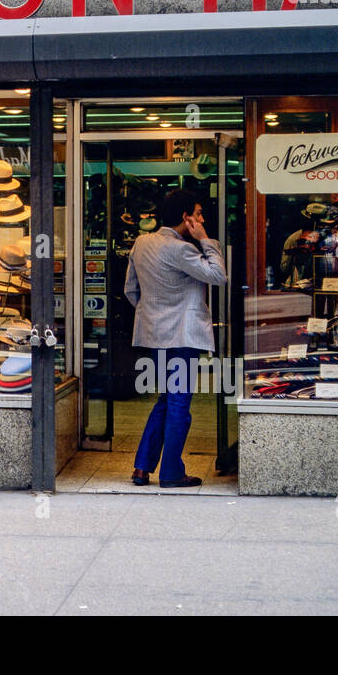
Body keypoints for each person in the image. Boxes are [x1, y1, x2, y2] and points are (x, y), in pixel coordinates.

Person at [124, 188, 227, 488]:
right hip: (182, 338)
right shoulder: (181, 249)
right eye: (198, 213)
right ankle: (170, 472)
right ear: (186, 217)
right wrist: (206, 238)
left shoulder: (141, 243)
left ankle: (142, 468)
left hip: (155, 336)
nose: (202, 218)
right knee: (179, 404)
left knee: (166, 400)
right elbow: (218, 275)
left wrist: (154, 314)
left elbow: (131, 291)